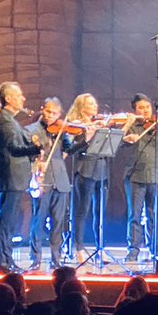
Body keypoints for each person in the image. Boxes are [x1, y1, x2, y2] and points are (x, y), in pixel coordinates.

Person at [121, 93, 158, 263]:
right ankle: (133, 251)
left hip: (156, 175)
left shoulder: (157, 126)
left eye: (147, 107)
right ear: (134, 110)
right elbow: (117, 142)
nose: (145, 111)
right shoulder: (132, 125)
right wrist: (126, 129)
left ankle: (155, 249)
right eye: (141, 108)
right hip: (135, 175)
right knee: (134, 215)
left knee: (153, 215)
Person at [0, 82, 42, 273]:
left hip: (16, 177)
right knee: (5, 221)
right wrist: (35, 149)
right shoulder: (4, 120)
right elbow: (13, 148)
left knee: (10, 222)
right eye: (19, 95)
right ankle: (1, 262)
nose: (23, 98)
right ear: (9, 98)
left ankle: (6, 259)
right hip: (10, 176)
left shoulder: (11, 120)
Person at [25, 98, 75, 270]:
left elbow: (70, 149)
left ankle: (56, 257)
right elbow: (27, 154)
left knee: (58, 222)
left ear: (60, 114)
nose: (51, 116)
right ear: (42, 110)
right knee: (38, 220)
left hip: (60, 180)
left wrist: (84, 137)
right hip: (41, 179)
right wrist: (36, 162)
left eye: (55, 113)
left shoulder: (62, 131)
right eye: (48, 111)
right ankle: (36, 258)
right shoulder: (31, 130)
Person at [65, 93, 104, 264]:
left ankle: (99, 248)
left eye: (95, 103)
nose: (95, 106)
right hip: (85, 170)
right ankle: (78, 248)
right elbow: (70, 149)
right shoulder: (76, 125)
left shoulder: (98, 124)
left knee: (99, 212)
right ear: (81, 107)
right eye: (90, 104)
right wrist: (87, 135)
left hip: (102, 170)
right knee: (82, 211)